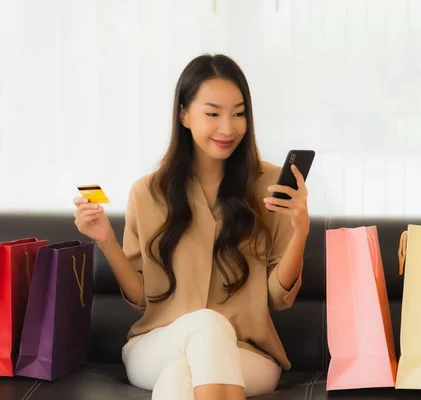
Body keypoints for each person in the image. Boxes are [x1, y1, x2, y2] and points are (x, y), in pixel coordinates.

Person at [73, 54, 309, 400]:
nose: (228, 128)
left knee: (180, 376)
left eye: (239, 113)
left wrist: (300, 230)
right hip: (158, 343)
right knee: (207, 326)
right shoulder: (147, 192)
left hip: (247, 352)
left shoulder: (271, 185)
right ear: (183, 114)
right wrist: (106, 239)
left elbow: (277, 296)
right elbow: (141, 296)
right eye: (212, 113)